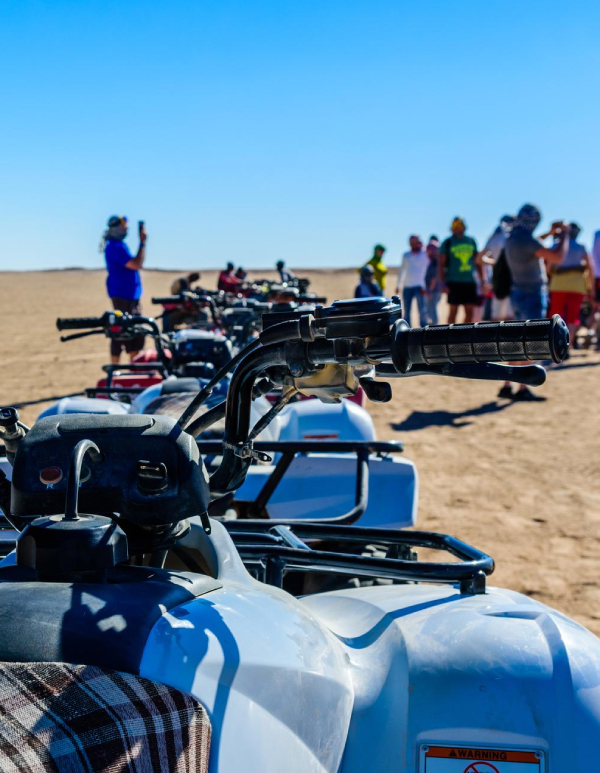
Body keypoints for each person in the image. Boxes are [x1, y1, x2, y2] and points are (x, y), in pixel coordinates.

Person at [500, 203, 570, 401]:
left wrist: (550, 232)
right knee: (531, 343)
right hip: (532, 294)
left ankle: (507, 384)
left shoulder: (513, 238)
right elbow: (557, 257)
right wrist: (564, 234)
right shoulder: (526, 240)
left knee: (516, 342)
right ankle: (523, 387)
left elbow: (536, 243)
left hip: (518, 293)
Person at [101, 215, 147, 363]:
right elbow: (135, 264)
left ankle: (134, 368)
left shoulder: (119, 245)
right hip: (123, 295)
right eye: (123, 226)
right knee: (121, 330)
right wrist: (142, 243)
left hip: (130, 295)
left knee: (134, 331)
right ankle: (116, 371)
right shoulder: (115, 247)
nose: (126, 229)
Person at [547, 223, 595, 346]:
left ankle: (556, 345)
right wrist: (591, 288)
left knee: (555, 316)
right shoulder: (581, 247)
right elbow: (590, 268)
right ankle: (568, 345)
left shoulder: (556, 245)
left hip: (558, 285)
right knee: (572, 317)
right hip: (577, 286)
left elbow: (548, 268)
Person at [438, 218, 484, 323]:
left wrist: (482, 280)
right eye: (455, 227)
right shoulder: (448, 242)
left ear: (464, 227)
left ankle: (465, 336)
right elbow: (441, 264)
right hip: (453, 281)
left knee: (470, 312)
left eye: (460, 226)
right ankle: (449, 336)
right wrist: (442, 283)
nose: (458, 229)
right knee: (453, 312)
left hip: (469, 281)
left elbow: (478, 262)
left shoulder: (471, 241)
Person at [478, 215, 515, 320]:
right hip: (512, 281)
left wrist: (495, 263)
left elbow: (479, 259)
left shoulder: (494, 238)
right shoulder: (512, 237)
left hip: (497, 281)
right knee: (510, 317)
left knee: (496, 316)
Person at [396, 235, 428, 327]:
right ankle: (407, 329)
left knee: (422, 310)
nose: (413, 244)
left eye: (415, 242)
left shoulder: (424, 254)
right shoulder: (406, 255)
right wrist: (398, 285)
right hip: (407, 286)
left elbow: (428, 269)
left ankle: (424, 328)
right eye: (411, 242)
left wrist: (424, 286)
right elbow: (402, 270)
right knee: (407, 310)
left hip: (420, 286)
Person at [424, 237, 442, 325]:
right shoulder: (432, 261)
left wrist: (430, 290)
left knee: (433, 309)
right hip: (433, 290)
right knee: (430, 309)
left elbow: (434, 278)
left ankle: (435, 326)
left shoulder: (435, 262)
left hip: (433, 290)